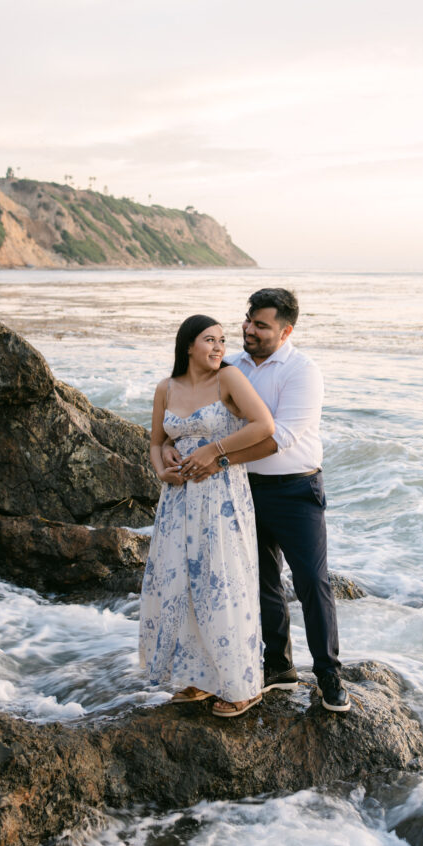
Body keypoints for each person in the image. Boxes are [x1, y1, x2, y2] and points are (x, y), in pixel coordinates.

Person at [174, 289, 350, 713]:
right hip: (241, 489)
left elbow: (281, 437)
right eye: (249, 320)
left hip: (295, 490)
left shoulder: (302, 371)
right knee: (260, 581)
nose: (249, 330)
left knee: (312, 580)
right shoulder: (229, 365)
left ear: (286, 330)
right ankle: (278, 667)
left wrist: (217, 457)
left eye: (261, 325)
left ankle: (328, 672)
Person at [139, 314, 275, 718]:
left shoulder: (229, 380)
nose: (218, 348)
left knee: (223, 583)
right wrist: (162, 467)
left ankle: (243, 685)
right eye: (209, 340)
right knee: (181, 583)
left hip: (221, 497)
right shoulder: (166, 388)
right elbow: (156, 443)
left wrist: (214, 451)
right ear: (187, 346)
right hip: (178, 501)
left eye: (221, 340)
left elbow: (264, 426)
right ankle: (198, 678)